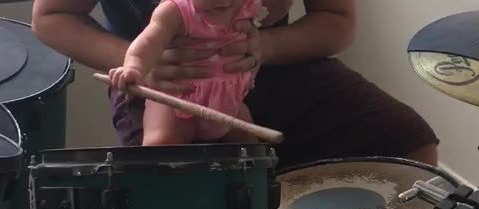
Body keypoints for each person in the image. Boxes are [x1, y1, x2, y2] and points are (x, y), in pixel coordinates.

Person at [30, 0, 439, 170]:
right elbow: (51, 16)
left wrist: (265, 45)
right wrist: (138, 61)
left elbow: (337, 19)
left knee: (409, 142)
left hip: (276, 64)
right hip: (163, 85)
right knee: (175, 194)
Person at [109, 0, 281, 145]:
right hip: (176, 99)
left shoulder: (245, 6)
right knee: (160, 144)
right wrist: (134, 67)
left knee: (250, 147)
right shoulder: (175, 11)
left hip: (227, 101)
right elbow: (148, 42)